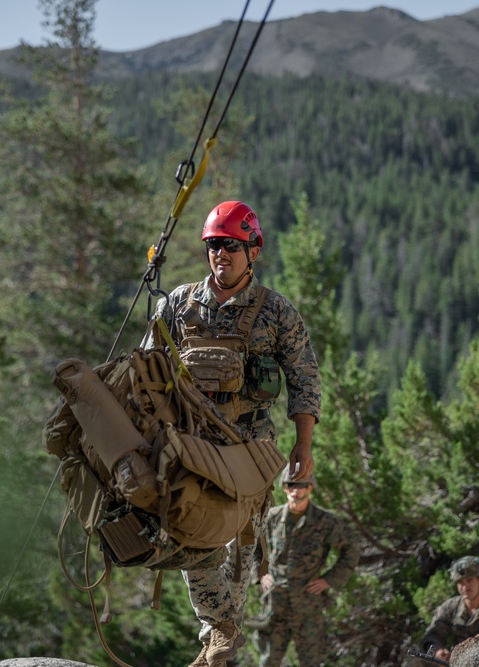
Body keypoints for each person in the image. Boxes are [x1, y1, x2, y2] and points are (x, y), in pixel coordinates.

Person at [148, 200, 322, 667]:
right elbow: (147, 368)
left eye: (231, 245)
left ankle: (217, 647)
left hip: (250, 451)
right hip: (191, 448)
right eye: (213, 245)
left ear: (253, 251)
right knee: (188, 538)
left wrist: (303, 444)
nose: (220, 253)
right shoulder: (178, 304)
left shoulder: (275, 311)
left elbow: (304, 378)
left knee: (239, 555)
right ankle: (219, 631)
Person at [254, 465, 359, 667]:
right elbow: (252, 546)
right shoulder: (271, 518)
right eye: (291, 484)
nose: (296, 490)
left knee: (310, 662)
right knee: (268, 661)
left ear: (310, 488)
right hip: (276, 604)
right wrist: (261, 573)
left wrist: (330, 579)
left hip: (308, 606)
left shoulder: (325, 521)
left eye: (302, 485)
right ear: (284, 487)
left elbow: (352, 548)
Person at [420, 556, 479, 662]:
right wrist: (437, 651)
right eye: (460, 582)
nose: (464, 587)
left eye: (469, 581)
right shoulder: (451, 606)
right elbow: (432, 635)